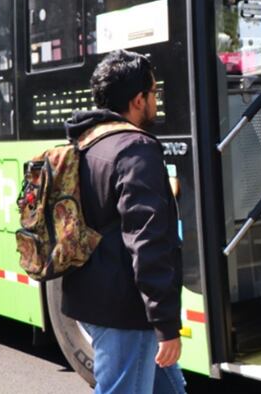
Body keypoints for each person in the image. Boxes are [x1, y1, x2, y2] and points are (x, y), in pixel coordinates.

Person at [61, 50, 186, 394]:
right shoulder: (136, 149)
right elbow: (147, 242)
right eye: (154, 92)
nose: (156, 101)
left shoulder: (86, 142)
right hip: (126, 309)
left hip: (91, 298)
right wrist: (165, 323)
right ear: (138, 100)